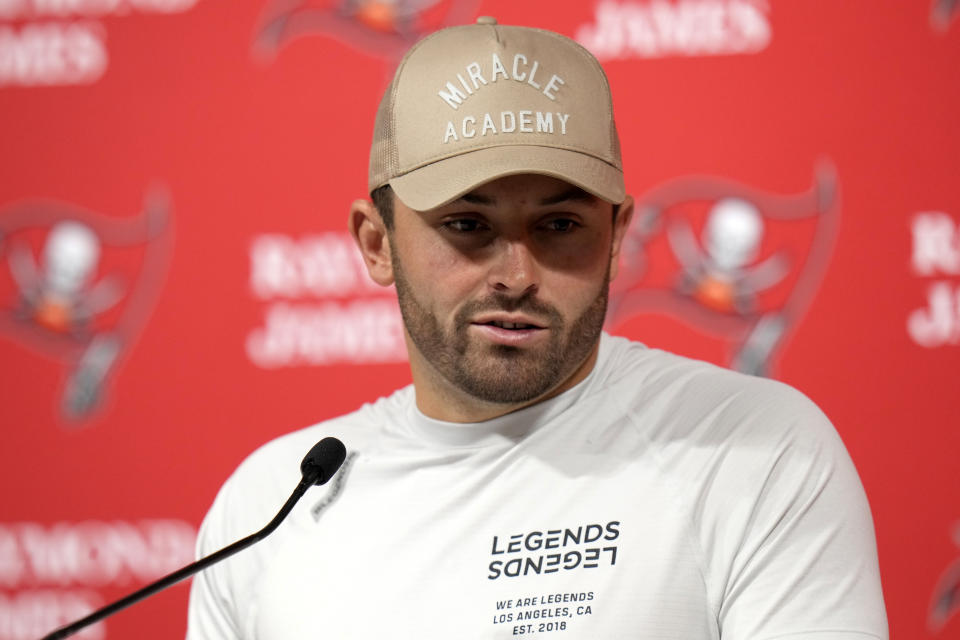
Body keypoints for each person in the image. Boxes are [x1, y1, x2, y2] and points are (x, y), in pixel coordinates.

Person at [187, 17, 887, 640]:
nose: (517, 273)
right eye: (468, 226)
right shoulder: (267, 507)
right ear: (376, 243)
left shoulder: (758, 453)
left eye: (559, 225)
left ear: (615, 235)